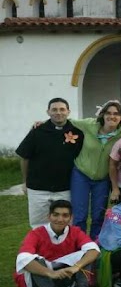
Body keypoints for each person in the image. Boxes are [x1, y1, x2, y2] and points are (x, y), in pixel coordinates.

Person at [14, 200, 100, 287]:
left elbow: (93, 250)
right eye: (56, 215)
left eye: (65, 215)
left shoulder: (75, 231)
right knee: (33, 260)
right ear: (48, 216)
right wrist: (50, 273)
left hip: (65, 275)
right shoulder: (36, 233)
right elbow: (23, 258)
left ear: (71, 218)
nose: (60, 219)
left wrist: (76, 266)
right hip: (41, 280)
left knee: (87, 254)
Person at [16, 98, 83, 228]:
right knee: (38, 226)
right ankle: (41, 249)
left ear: (68, 111)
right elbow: (24, 157)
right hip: (38, 189)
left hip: (65, 188)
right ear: (48, 112)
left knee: (65, 224)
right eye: (54, 109)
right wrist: (25, 182)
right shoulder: (37, 131)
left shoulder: (77, 132)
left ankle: (64, 248)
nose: (58, 113)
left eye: (62, 109)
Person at [71, 100, 121, 239]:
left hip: (103, 179)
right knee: (80, 215)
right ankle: (78, 247)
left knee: (98, 216)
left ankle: (93, 248)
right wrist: (41, 123)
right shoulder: (89, 125)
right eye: (108, 113)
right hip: (81, 175)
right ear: (102, 115)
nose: (112, 116)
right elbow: (67, 121)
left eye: (116, 114)